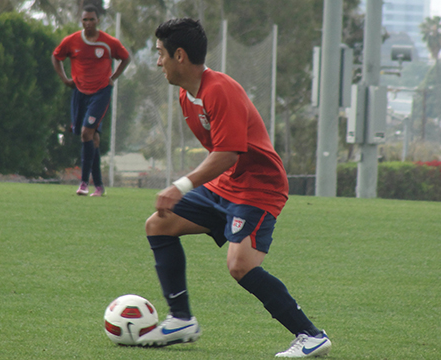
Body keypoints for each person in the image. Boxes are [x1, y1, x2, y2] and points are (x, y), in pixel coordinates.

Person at [136, 18, 331, 358]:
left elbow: (228, 154)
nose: (158, 62)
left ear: (179, 55)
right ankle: (181, 320)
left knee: (240, 265)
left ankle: (310, 335)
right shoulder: (187, 95)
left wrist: (180, 186)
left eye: (160, 54)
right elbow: (221, 157)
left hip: (259, 187)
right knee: (158, 225)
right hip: (225, 185)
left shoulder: (219, 90)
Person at [51, 5, 130, 196]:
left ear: (98, 20)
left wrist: (113, 78)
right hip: (79, 93)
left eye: (91, 19)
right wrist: (64, 79)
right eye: (85, 19)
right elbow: (56, 56)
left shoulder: (108, 42)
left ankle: (84, 183)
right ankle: (100, 186)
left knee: (87, 133)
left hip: (101, 92)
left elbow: (125, 58)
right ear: (81, 21)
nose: (88, 23)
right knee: (91, 138)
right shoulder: (72, 41)